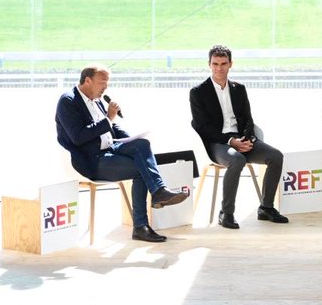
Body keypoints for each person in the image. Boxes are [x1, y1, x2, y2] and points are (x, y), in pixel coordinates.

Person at [55, 65, 190, 243]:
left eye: (107, 83)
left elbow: (112, 128)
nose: (105, 88)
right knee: (141, 169)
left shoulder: (96, 99)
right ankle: (142, 223)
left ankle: (157, 192)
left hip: (110, 148)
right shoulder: (68, 101)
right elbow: (78, 137)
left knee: (142, 144)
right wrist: (109, 118)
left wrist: (131, 139)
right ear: (87, 81)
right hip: (91, 159)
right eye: (102, 83)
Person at [189, 45, 288, 229]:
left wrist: (248, 139)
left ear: (230, 64)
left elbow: (248, 119)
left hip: (241, 140)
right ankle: (226, 213)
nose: (219, 68)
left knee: (276, 156)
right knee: (237, 160)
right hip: (217, 143)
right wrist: (230, 142)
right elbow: (202, 127)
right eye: (215, 64)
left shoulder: (239, 89)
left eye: (223, 63)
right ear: (209, 64)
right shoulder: (198, 92)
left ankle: (266, 207)